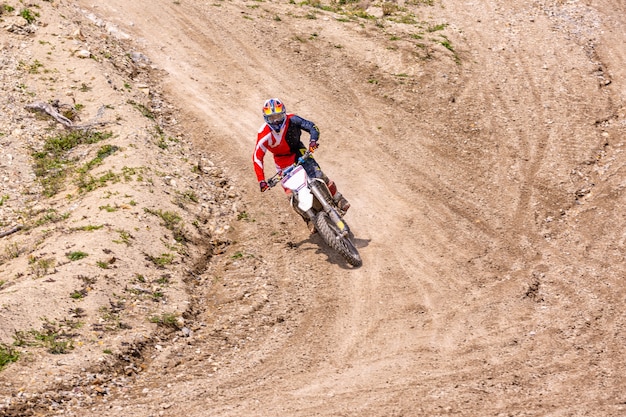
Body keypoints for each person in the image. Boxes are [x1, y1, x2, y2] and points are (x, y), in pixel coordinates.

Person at [252, 98, 350, 226]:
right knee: (291, 194)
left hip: (299, 150)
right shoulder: (263, 133)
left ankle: (338, 198)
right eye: (272, 118)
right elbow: (257, 157)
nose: (276, 121)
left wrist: (313, 141)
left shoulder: (292, 119)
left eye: (278, 116)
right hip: (282, 160)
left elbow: (311, 126)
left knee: (318, 175)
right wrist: (262, 180)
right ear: (266, 118)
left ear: (284, 113)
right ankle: (308, 219)